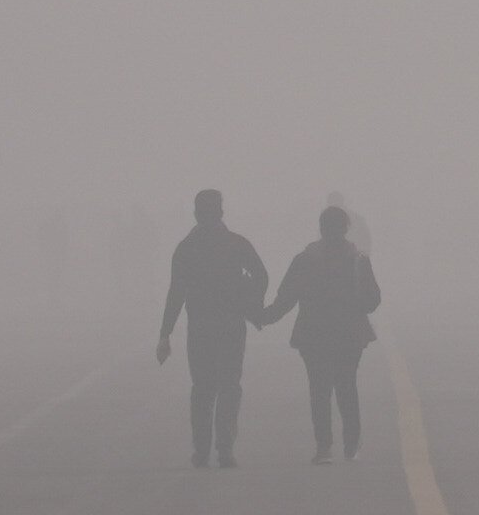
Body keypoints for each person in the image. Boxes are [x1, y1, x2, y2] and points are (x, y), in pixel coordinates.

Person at [157, 191, 269, 468]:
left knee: (203, 388)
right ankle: (225, 448)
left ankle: (202, 449)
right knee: (229, 385)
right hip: (231, 325)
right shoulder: (236, 244)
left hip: (200, 327)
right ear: (221, 212)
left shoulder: (186, 248)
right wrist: (251, 304)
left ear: (196, 213)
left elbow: (176, 293)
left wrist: (165, 333)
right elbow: (261, 276)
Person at [264, 205, 385, 462]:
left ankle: (324, 446)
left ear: (320, 228)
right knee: (347, 386)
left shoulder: (305, 260)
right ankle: (351, 445)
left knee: (319, 390)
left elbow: (286, 298)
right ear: (346, 228)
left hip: (313, 333)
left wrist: (264, 317)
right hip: (349, 334)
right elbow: (373, 299)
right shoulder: (358, 260)